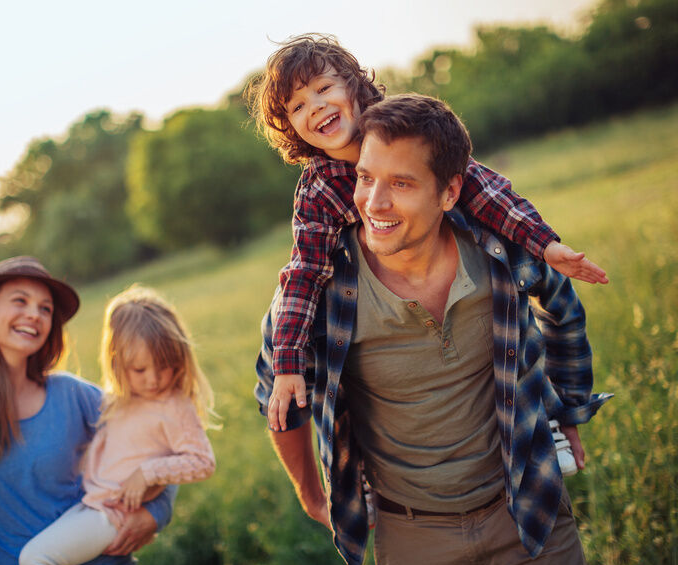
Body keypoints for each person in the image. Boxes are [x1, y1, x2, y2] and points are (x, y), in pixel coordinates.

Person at [254, 94, 612, 565]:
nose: (374, 203)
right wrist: (311, 495)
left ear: (449, 192)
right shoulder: (314, 295)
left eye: (401, 183)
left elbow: (563, 308)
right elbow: (276, 402)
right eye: (364, 177)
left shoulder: (497, 251)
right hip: (413, 541)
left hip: (530, 513)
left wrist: (568, 404)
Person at [245, 33, 609, 432]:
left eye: (324, 88)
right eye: (297, 106)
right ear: (291, 127)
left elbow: (484, 189)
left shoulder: (404, 131)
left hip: (451, 250)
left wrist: (546, 244)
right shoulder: (316, 189)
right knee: (297, 308)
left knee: (515, 332)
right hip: (377, 289)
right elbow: (306, 270)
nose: (315, 106)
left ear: (354, 86)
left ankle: (544, 420)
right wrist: (288, 364)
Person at [0, 256, 177, 565]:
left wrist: (153, 514)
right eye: (20, 301)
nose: (34, 315)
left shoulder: (73, 395)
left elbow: (162, 443)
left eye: (45, 308)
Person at [19, 285, 217, 565]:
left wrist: (148, 473)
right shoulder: (118, 400)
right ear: (117, 362)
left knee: (36, 560)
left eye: (165, 366)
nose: (153, 380)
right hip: (94, 505)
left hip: (114, 515)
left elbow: (203, 462)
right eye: (139, 370)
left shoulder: (175, 405)